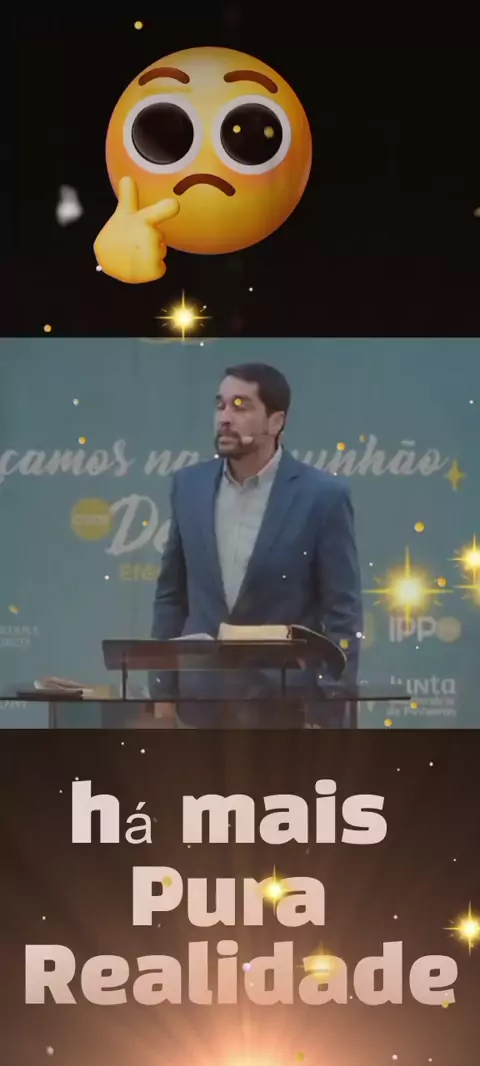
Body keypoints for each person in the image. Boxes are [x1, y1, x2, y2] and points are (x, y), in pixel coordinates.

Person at [150, 363, 363, 727]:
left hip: (289, 708)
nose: (224, 418)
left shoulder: (322, 496)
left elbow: (342, 612)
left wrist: (329, 708)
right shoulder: (188, 486)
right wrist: (163, 696)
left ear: (276, 422)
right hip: (200, 704)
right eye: (220, 405)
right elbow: (172, 597)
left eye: (240, 406)